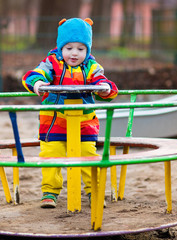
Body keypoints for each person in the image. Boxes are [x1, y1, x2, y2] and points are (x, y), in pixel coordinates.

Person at [22, 18, 118, 208]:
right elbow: (34, 74)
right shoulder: (52, 62)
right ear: (60, 48)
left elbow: (104, 82)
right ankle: (49, 192)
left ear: (87, 50)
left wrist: (104, 88)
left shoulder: (91, 66)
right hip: (54, 121)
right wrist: (38, 83)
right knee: (51, 154)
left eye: (81, 49)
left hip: (84, 122)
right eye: (69, 48)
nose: (74, 53)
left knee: (87, 155)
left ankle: (94, 191)